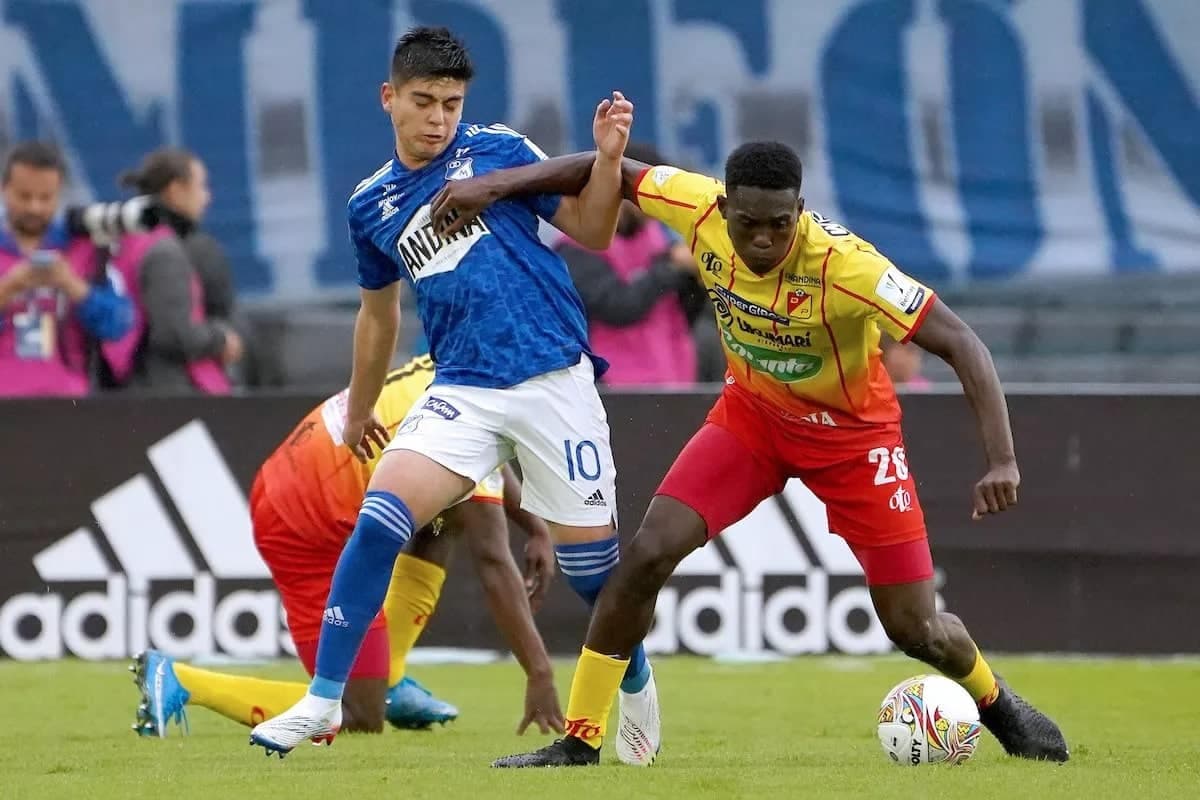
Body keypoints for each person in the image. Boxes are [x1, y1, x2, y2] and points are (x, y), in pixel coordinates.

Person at [429, 141, 1071, 767]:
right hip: (752, 421)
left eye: (779, 226)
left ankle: (995, 702)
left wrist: (1003, 459)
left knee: (913, 627)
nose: (763, 240)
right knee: (647, 554)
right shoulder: (695, 204)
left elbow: (962, 343)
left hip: (853, 439)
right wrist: (495, 185)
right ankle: (581, 738)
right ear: (724, 207)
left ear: (800, 212)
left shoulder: (849, 267)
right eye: (748, 224)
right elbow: (609, 170)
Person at [248, 28, 661, 766]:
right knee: (379, 519)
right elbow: (379, 317)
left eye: (451, 102)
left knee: (593, 577)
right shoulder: (370, 204)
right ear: (389, 99)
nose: (438, 117)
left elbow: (594, 230)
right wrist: (361, 409)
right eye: (423, 101)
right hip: (461, 386)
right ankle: (319, 701)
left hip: (552, 380)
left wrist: (604, 161)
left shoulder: (500, 149)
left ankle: (633, 683)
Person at [131, 354, 561, 738]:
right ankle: (182, 680)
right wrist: (539, 674)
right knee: (357, 714)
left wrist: (535, 527)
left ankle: (387, 676)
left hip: (300, 477)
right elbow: (492, 562)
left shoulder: (464, 366)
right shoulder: (477, 417)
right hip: (300, 522)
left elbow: (486, 469)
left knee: (443, 521)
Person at [554, 142, 703, 387]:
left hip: (673, 378)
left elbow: (683, 313)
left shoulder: (657, 236)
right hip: (610, 388)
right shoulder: (575, 247)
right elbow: (618, 307)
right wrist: (672, 268)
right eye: (654, 194)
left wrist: (694, 277)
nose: (662, 206)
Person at [0, 142, 133, 396]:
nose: (34, 207)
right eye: (24, 196)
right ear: (4, 189)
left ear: (59, 194)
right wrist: (9, 288)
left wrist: (74, 287)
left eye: (45, 198)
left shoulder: (85, 247)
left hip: (66, 401)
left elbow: (120, 324)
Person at [106, 148, 242, 393]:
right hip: (170, 393)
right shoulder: (168, 251)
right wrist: (222, 339)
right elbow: (176, 333)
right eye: (201, 187)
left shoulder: (125, 241)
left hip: (126, 384)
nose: (207, 197)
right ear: (176, 190)